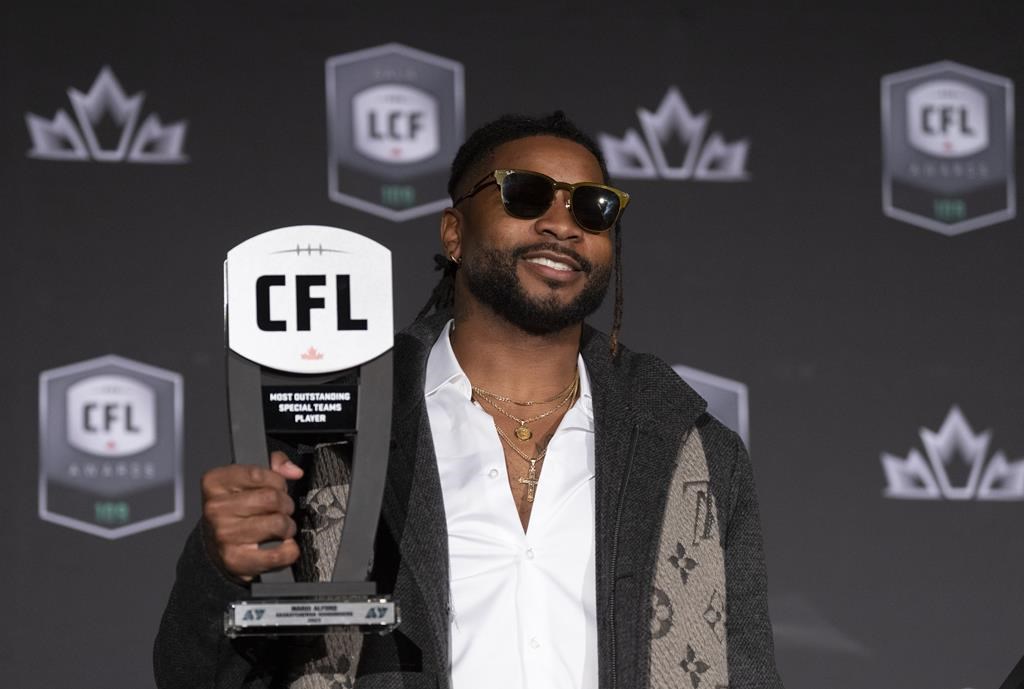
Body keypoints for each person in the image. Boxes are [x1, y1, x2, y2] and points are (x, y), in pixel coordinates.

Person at [155, 112, 784, 689]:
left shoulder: (692, 450)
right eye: (526, 193)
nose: (563, 224)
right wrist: (220, 573)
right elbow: (196, 677)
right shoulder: (334, 433)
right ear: (454, 233)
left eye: (593, 208)